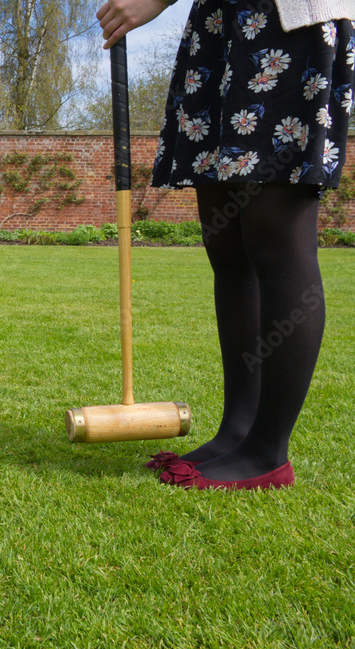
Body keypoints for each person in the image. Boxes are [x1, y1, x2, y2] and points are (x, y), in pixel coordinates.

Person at [97, 0, 355, 489]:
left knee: (274, 239)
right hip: (222, 24)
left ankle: (266, 452)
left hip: (286, 22)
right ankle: (236, 431)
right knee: (228, 248)